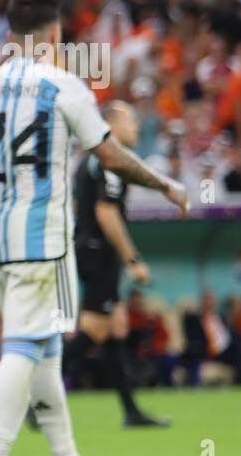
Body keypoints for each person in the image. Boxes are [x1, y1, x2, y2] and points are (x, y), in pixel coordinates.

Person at [0, 0, 189, 456]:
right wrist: (165, 183)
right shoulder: (64, 86)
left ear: (10, 37)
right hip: (42, 235)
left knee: (48, 348)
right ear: (55, 36)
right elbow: (111, 154)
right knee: (24, 346)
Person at [66, 100, 169, 426]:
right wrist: (132, 259)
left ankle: (131, 411)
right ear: (111, 126)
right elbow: (106, 212)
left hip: (93, 249)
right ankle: (35, 397)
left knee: (116, 327)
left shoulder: (95, 160)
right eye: (131, 121)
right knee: (94, 329)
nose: (137, 126)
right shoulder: (108, 161)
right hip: (98, 251)